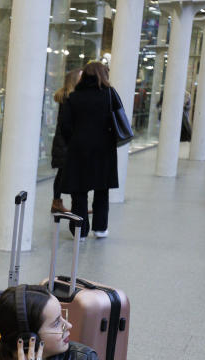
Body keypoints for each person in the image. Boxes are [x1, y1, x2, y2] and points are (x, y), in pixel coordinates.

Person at [59, 61, 121, 238]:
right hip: (104, 148)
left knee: (79, 190)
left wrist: (74, 139)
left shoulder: (74, 97)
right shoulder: (109, 94)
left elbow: (64, 125)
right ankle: (100, 228)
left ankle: (80, 230)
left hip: (79, 148)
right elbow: (119, 118)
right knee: (102, 189)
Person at [50, 69, 82, 214]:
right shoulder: (70, 98)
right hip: (65, 143)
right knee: (64, 174)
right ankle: (59, 203)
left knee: (62, 174)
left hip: (63, 142)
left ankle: (57, 202)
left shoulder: (67, 97)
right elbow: (67, 125)